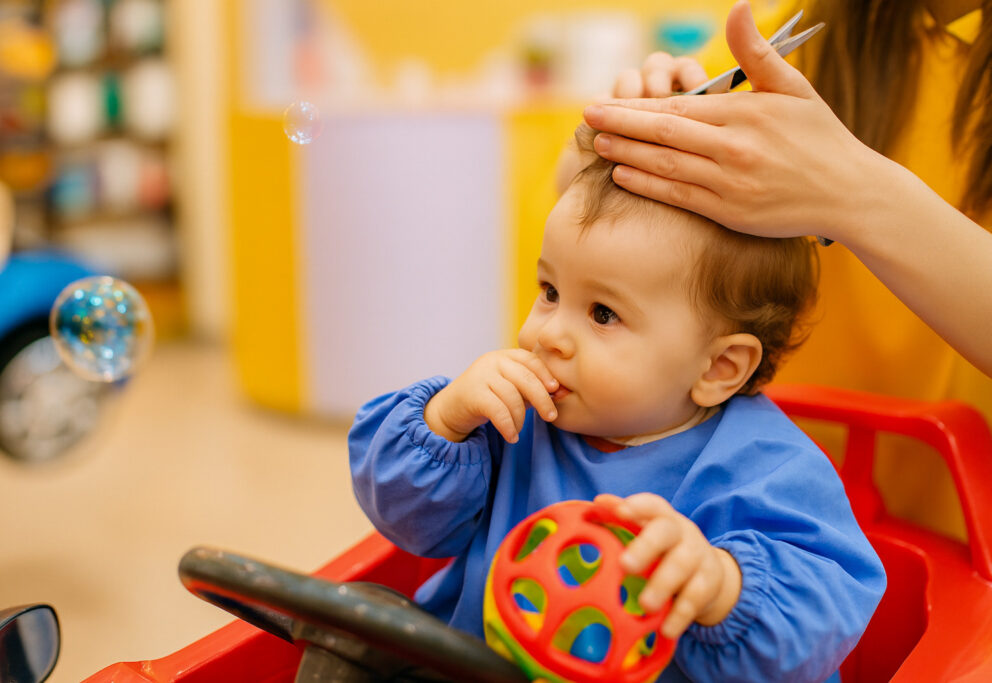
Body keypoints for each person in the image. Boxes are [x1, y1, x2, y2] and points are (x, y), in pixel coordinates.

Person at [349, 125, 885, 682]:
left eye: (603, 314)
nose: (549, 334)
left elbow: (818, 625)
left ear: (717, 368)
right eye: (550, 291)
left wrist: (720, 585)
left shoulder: (770, 469)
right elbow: (404, 523)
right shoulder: (514, 414)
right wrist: (445, 422)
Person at [582, 0, 992, 542]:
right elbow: (581, 187)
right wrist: (624, 138)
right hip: (746, 512)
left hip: (957, 534)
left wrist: (854, 193)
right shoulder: (821, 28)